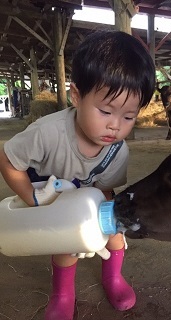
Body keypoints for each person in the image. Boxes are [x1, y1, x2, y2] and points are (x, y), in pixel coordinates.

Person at [0, 30, 155, 320]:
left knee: (116, 235)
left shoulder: (117, 151)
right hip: (52, 196)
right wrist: (31, 197)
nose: (115, 126)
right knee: (67, 246)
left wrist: (98, 227)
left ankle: (113, 278)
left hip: (86, 198)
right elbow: (8, 159)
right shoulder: (46, 133)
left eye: (129, 117)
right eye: (106, 111)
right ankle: (62, 295)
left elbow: (106, 190)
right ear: (76, 96)